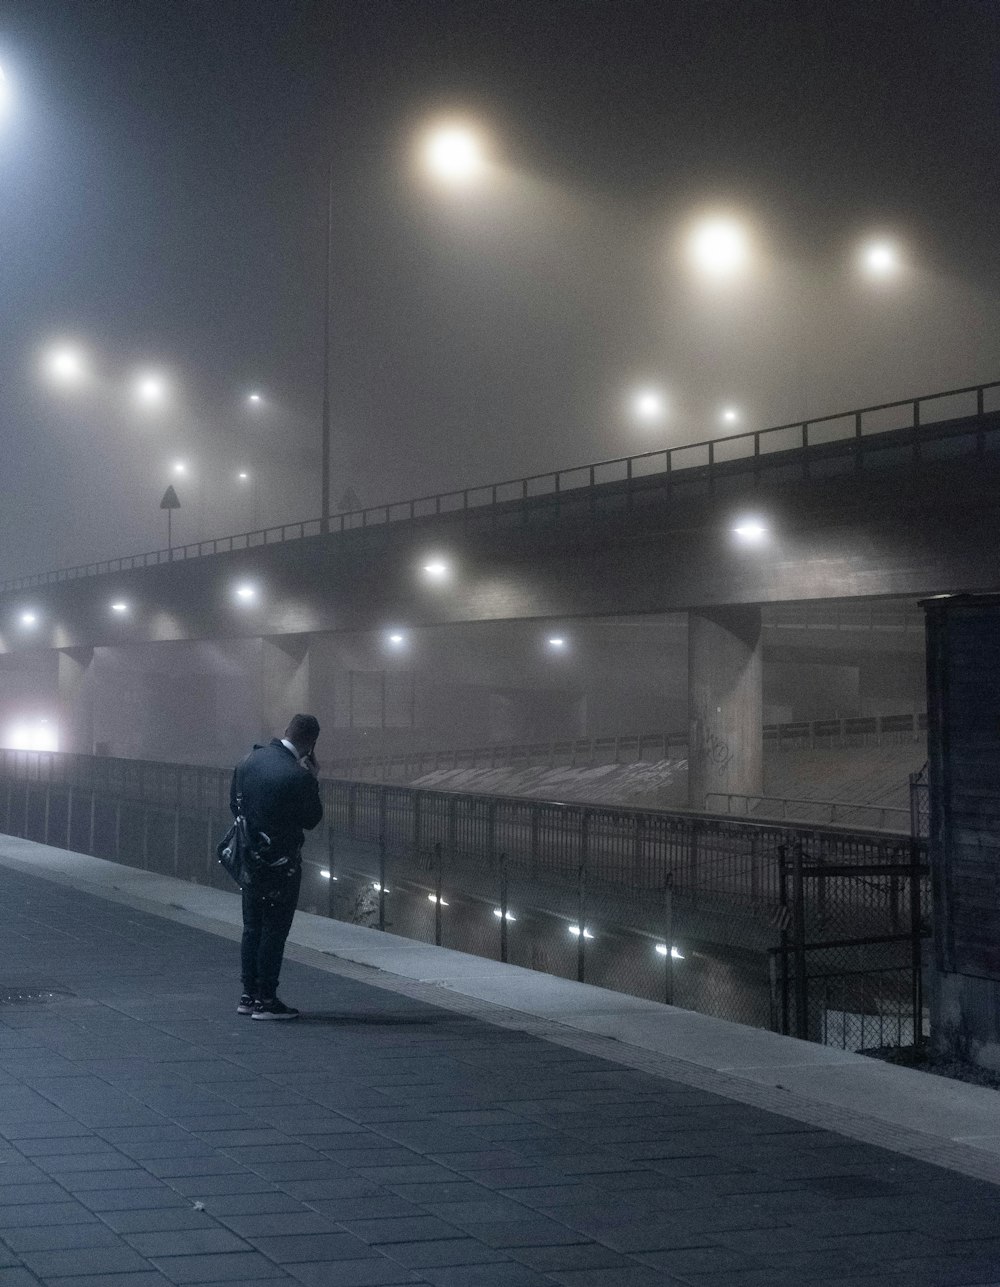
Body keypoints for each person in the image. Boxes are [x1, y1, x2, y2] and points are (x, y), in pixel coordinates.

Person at [230, 713, 323, 1020]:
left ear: (286, 731)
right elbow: (311, 819)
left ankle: (248, 995)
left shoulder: (248, 761)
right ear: (310, 744)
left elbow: (235, 805)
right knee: (274, 929)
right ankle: (267, 1000)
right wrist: (312, 779)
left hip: (249, 859)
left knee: (252, 926)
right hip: (281, 865)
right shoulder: (297, 776)